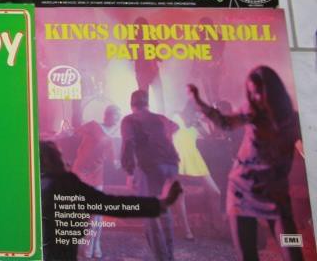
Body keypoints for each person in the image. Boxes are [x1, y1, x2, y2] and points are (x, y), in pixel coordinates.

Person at [188, 67, 306, 261]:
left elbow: (305, 149)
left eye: (258, 92)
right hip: (241, 192)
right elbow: (225, 123)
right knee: (247, 255)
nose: (254, 98)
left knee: (292, 250)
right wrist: (199, 101)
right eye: (250, 93)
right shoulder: (250, 111)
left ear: (274, 91)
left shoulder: (293, 119)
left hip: (276, 196)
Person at [40, 140, 182, 261]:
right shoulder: (65, 184)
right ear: (49, 160)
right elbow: (112, 205)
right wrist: (160, 204)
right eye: (59, 156)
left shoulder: (40, 184)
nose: (65, 161)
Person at [121, 89, 180, 261]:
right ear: (147, 104)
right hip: (171, 165)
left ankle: (162, 258)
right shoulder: (160, 118)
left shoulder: (129, 120)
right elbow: (175, 127)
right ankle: (169, 255)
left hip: (151, 168)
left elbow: (128, 143)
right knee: (164, 210)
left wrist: (130, 172)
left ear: (132, 104)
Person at [71, 105, 122, 259]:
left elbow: (114, 161)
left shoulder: (111, 139)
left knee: (97, 212)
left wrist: (120, 163)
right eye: (116, 114)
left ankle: (93, 244)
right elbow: (74, 131)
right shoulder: (93, 126)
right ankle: (91, 243)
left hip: (96, 176)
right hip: (80, 173)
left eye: (119, 116)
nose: (118, 118)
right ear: (107, 115)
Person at [170, 107, 221, 240]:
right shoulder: (176, 118)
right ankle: (186, 231)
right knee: (179, 194)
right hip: (178, 158)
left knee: (215, 193)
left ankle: (218, 227)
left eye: (202, 114)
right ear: (191, 110)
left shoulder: (196, 124)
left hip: (195, 159)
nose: (201, 116)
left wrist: (207, 122)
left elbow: (211, 137)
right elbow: (167, 136)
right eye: (199, 113)